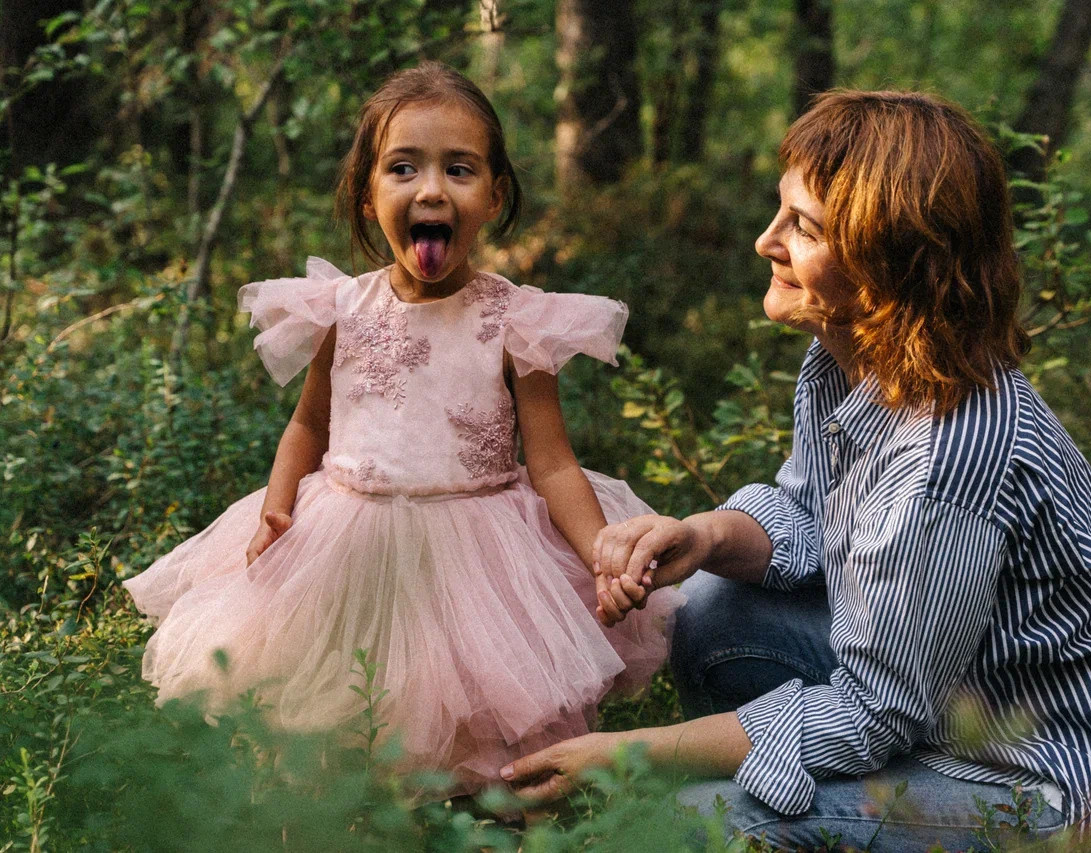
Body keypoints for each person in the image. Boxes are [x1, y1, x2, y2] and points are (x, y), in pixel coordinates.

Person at [502, 91, 1091, 851]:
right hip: (951, 696)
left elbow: (876, 712)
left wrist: (635, 754)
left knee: (690, 821)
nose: (766, 241)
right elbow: (808, 514)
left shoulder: (946, 455)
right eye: (781, 212)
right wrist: (704, 534)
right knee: (711, 610)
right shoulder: (847, 359)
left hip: (1062, 787)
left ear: (894, 261)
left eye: (804, 227)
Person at [123, 61, 682, 795]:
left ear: (493, 195)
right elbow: (307, 425)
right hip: (347, 532)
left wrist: (600, 556)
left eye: (458, 169)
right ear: (367, 194)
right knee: (338, 701)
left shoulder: (516, 321)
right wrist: (278, 501)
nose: (430, 190)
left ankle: (481, 815)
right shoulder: (342, 310)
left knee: (475, 712)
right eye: (403, 168)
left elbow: (551, 464)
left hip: (479, 546)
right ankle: (341, 814)